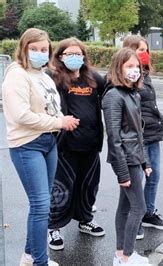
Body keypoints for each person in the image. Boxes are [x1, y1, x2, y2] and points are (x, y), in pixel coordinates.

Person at [2, 28, 79, 266]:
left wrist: (60, 120)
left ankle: (29, 255)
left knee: (43, 206)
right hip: (27, 145)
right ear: (23, 49)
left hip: (48, 142)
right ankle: (39, 261)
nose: (39, 53)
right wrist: (59, 122)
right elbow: (21, 115)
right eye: (33, 49)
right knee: (40, 204)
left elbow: (49, 108)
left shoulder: (43, 76)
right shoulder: (16, 75)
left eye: (43, 49)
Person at [46, 37, 106, 251]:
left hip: (90, 144)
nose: (74, 57)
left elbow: (112, 88)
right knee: (62, 189)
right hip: (65, 146)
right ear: (60, 56)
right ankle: (53, 227)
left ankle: (85, 219)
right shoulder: (53, 78)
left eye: (78, 54)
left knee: (88, 186)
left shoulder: (92, 77)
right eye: (69, 54)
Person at [102, 48, 151, 265]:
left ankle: (121, 254)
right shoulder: (113, 96)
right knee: (139, 207)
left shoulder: (133, 94)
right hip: (125, 159)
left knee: (125, 206)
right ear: (118, 68)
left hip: (134, 157)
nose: (134, 70)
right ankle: (127, 256)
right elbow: (114, 137)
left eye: (137, 66)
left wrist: (145, 161)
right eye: (129, 66)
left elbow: (138, 132)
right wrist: (123, 173)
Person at [122, 35, 163, 240]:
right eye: (139, 49)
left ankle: (148, 213)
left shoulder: (145, 75)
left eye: (146, 49)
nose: (144, 53)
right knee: (135, 179)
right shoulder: (126, 77)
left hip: (152, 134)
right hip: (135, 138)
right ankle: (134, 218)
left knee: (154, 176)